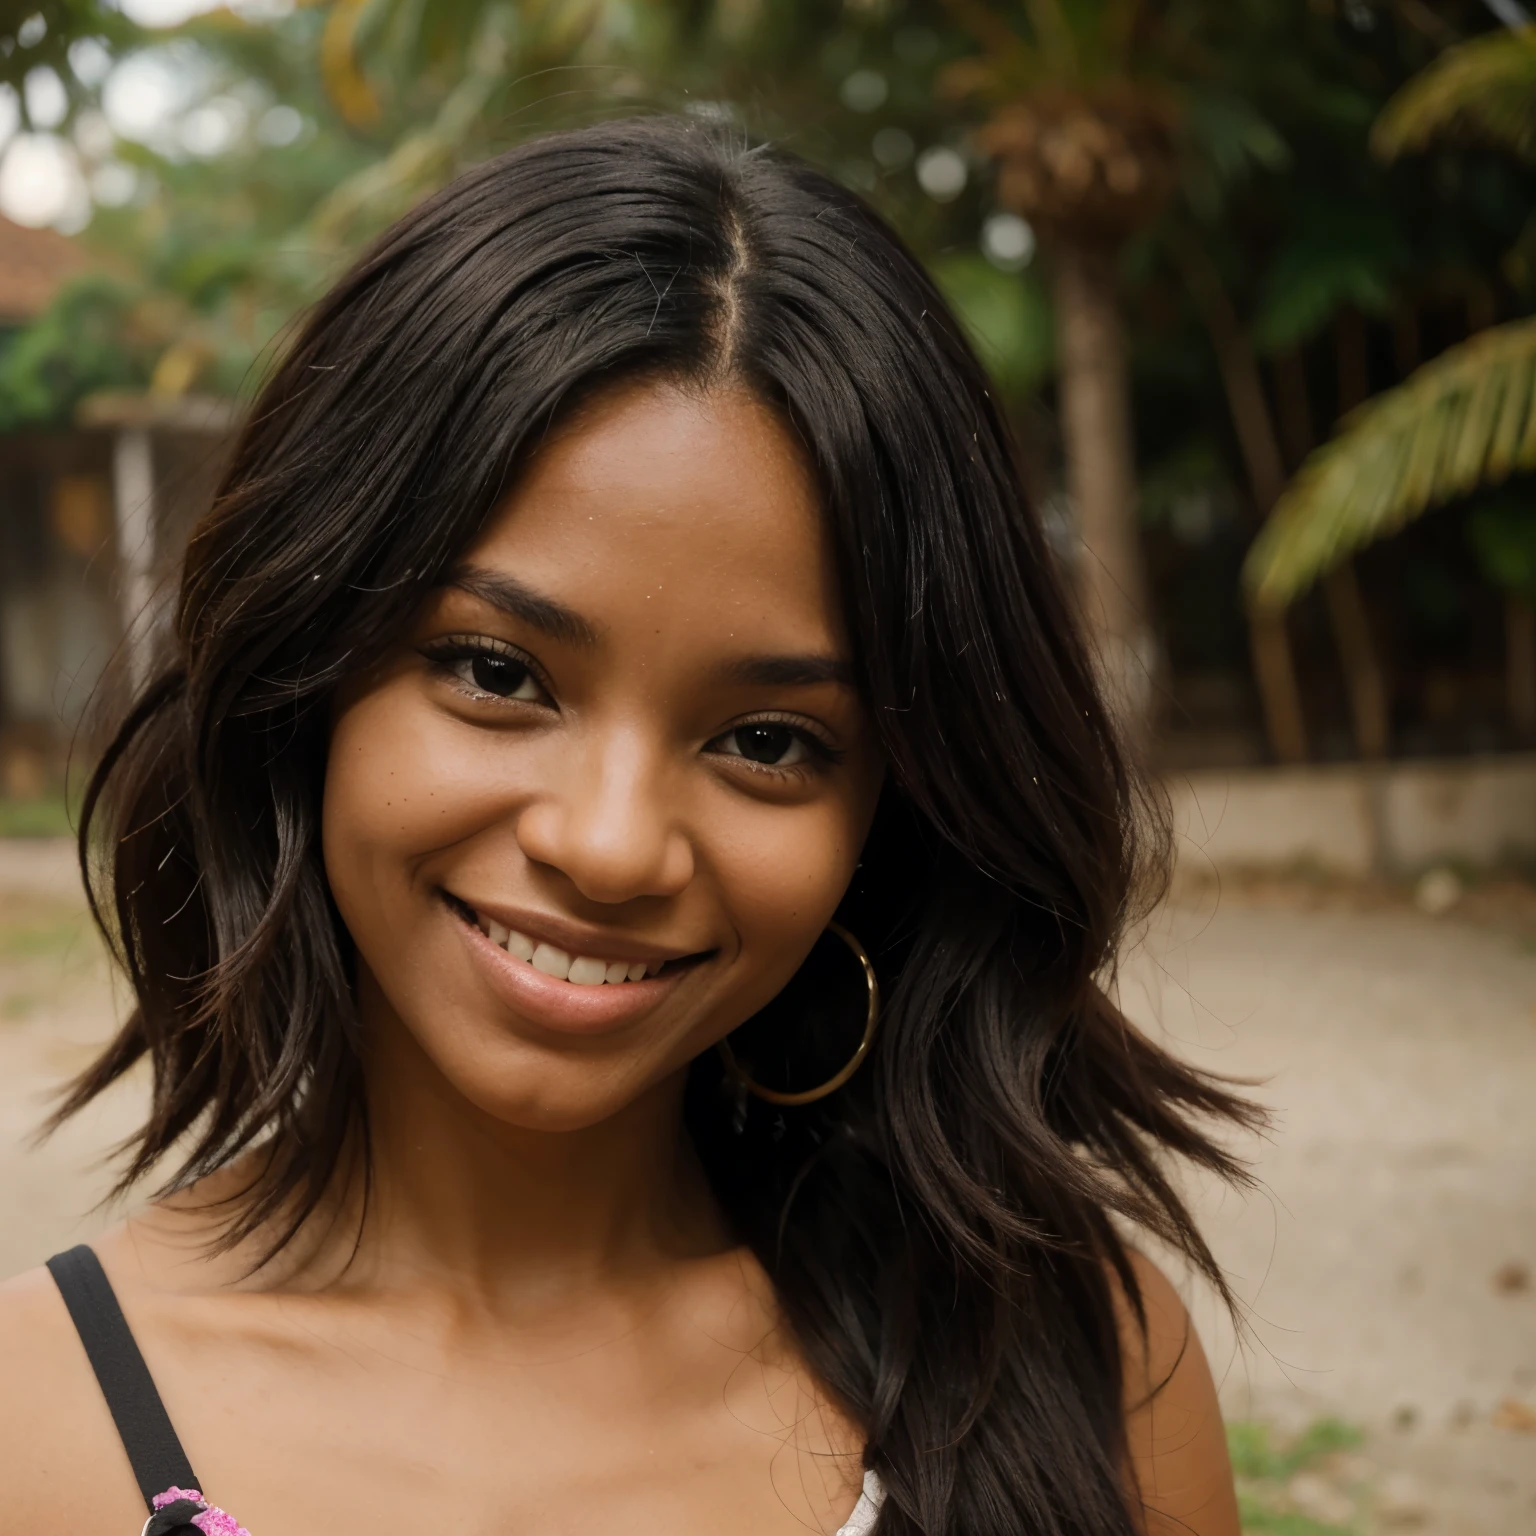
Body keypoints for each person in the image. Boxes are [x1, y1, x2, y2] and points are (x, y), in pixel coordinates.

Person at [0, 117, 1254, 1536]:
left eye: (767, 743)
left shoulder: (1076, 1366)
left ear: (892, 812)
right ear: (306, 671)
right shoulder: (36, 1432)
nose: (608, 847)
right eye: (495, 672)